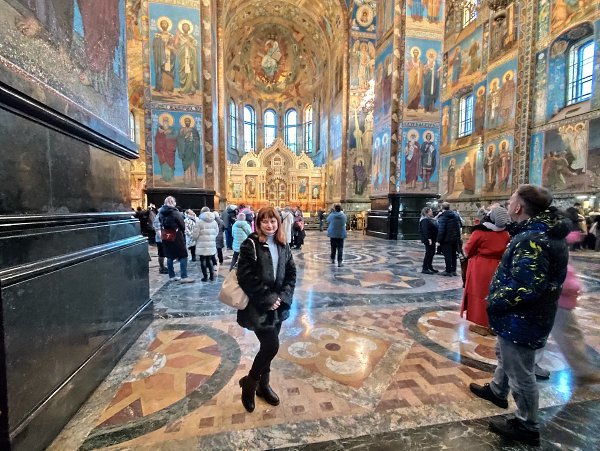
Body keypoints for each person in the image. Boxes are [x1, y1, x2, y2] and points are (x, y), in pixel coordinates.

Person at [469, 185, 570, 446]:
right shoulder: (541, 232)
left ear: (518, 207)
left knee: (520, 371)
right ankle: (497, 390)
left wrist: (495, 301)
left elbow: (527, 286)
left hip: (522, 317)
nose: (508, 202)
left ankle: (527, 425)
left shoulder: (532, 239)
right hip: (529, 315)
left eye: (511, 199)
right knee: (506, 355)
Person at [237, 207, 296, 413]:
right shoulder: (250, 244)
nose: (270, 225)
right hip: (258, 308)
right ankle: (250, 383)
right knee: (271, 346)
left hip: (278, 308)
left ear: (278, 223)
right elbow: (245, 276)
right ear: (258, 223)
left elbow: (291, 272)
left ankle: (264, 385)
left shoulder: (283, 244)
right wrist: (268, 299)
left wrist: (282, 298)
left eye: (273, 221)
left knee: (267, 348)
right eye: (265, 221)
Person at [536, 230, 600, 384]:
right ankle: (584, 371)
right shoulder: (551, 245)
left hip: (556, 299)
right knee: (569, 335)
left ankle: (583, 370)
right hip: (557, 299)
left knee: (543, 334)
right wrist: (572, 287)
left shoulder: (551, 242)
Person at [460, 206, 511, 335]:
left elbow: (468, 250)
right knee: (495, 294)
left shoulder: (480, 232)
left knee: (480, 294)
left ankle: (482, 324)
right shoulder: (506, 233)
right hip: (499, 266)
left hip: (481, 266)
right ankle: (493, 324)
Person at [158, 196, 194, 283]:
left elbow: (160, 222)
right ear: (173, 203)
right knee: (183, 255)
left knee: (169, 256)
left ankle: (172, 276)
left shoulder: (161, 212)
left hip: (166, 236)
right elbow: (182, 225)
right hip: (176, 236)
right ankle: (184, 277)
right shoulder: (175, 212)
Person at [436, 202, 462, 276]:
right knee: (453, 255)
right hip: (454, 238)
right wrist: (458, 238)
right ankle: (454, 270)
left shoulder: (443, 216)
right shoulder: (455, 215)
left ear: (442, 207)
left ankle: (448, 271)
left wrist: (438, 240)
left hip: (446, 239)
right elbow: (458, 227)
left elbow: (441, 230)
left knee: (447, 255)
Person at [196, 207, 219, 281]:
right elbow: (217, 232)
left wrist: (196, 239)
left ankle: (205, 277)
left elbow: (195, 234)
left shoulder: (199, 222)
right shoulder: (214, 222)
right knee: (209, 259)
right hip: (211, 243)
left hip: (201, 244)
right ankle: (212, 276)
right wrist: (212, 238)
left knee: (203, 260)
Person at [418, 207, 438, 274]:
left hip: (432, 238)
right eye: (430, 211)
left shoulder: (428, 219)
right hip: (429, 239)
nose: (432, 212)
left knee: (431, 253)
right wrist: (429, 239)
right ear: (427, 212)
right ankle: (425, 268)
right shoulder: (424, 220)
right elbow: (425, 230)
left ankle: (429, 266)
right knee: (429, 253)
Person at [153, 210, 169, 274]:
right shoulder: (158, 217)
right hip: (161, 239)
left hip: (167, 237)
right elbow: (157, 229)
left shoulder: (165, 216)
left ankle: (163, 267)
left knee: (165, 253)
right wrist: (162, 238)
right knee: (161, 254)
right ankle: (161, 267)